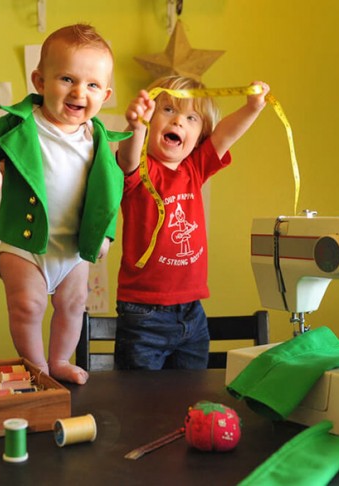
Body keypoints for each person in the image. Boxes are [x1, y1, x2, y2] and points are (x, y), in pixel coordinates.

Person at [0, 24, 130, 384]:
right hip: (25, 243)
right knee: (27, 305)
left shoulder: (98, 138)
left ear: (106, 94)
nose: (79, 92)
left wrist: (106, 234)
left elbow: (111, 191)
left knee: (73, 306)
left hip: (73, 247)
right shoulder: (23, 123)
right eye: (67, 79)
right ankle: (35, 367)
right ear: (40, 81)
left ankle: (59, 362)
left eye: (92, 85)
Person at [115, 75, 269, 369]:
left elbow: (225, 135)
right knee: (137, 400)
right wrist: (135, 127)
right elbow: (127, 158)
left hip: (192, 312)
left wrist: (252, 108)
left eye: (191, 118)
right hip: (143, 313)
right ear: (150, 120)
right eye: (168, 110)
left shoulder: (194, 169)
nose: (178, 122)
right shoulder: (139, 171)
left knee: (191, 397)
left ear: (199, 138)